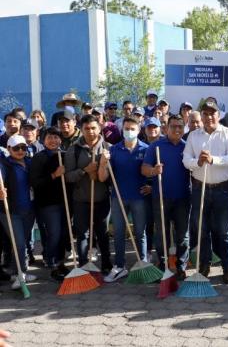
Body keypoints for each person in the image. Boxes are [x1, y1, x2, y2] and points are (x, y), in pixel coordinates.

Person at [182, 101, 228, 283]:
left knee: (223, 230)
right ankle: (204, 265)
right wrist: (197, 163)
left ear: (219, 115)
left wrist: (212, 159)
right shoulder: (193, 136)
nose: (209, 117)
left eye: (212, 113)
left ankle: (227, 267)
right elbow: (185, 159)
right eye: (205, 114)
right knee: (202, 229)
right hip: (200, 188)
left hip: (222, 189)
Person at [98, 117, 150, 282]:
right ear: (122, 130)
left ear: (139, 130)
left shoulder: (146, 149)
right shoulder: (113, 150)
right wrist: (103, 163)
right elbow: (103, 177)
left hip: (139, 198)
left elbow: (152, 173)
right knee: (119, 233)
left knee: (140, 233)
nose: (129, 131)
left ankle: (142, 264)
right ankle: (120, 266)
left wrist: (152, 187)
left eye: (132, 128)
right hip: (118, 198)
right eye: (126, 128)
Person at [142, 114, 192, 280]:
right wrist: (153, 171)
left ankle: (181, 266)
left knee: (182, 235)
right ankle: (163, 264)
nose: (177, 129)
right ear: (166, 128)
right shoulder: (156, 146)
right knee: (162, 234)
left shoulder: (188, 147)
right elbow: (144, 168)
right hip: (161, 197)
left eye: (180, 126)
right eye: (173, 126)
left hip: (183, 198)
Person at [63, 114, 112, 273]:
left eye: (93, 128)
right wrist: (84, 171)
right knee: (82, 235)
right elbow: (68, 177)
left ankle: (106, 264)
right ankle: (84, 266)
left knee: (103, 234)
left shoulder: (108, 147)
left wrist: (102, 168)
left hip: (102, 199)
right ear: (81, 129)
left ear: (99, 128)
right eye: (86, 129)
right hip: (81, 199)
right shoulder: (74, 150)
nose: (90, 131)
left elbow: (113, 177)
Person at [29, 126, 70, 281]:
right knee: (54, 234)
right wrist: (54, 175)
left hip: (64, 202)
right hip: (48, 203)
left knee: (64, 234)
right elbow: (35, 182)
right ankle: (51, 262)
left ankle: (60, 262)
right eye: (50, 137)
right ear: (43, 139)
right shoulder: (39, 158)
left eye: (56, 137)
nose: (53, 140)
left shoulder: (65, 155)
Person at [0, 135, 38, 289]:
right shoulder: (5, 165)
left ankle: (18, 273)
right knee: (19, 244)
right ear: (9, 149)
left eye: (23, 147)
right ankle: (20, 274)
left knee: (23, 242)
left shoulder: (29, 162)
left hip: (29, 210)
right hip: (11, 211)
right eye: (16, 148)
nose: (20, 151)